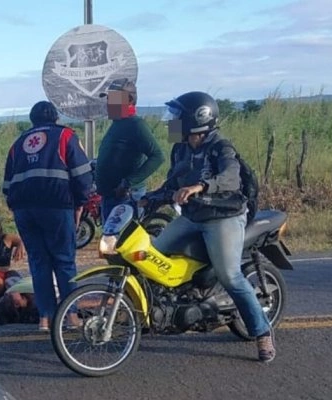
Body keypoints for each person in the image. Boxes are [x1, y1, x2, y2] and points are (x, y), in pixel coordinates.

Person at [154, 90, 275, 363]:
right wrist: (144, 199)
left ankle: (262, 332)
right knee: (153, 254)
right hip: (192, 216)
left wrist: (200, 186)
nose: (170, 122)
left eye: (176, 117)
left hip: (224, 217)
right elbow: (172, 183)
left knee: (230, 275)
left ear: (196, 120)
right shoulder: (181, 149)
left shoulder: (221, 147)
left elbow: (229, 178)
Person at [2, 100, 94, 331]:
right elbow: (83, 176)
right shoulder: (65, 136)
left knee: (39, 263)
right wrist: (80, 204)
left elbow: (6, 185)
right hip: (57, 207)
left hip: (24, 210)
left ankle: (45, 318)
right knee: (64, 262)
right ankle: (71, 316)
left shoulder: (19, 143)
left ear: (32, 120)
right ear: (56, 118)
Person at [95, 78, 165, 222]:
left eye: (113, 99)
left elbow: (157, 156)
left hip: (126, 197)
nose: (108, 103)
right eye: (108, 99)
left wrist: (128, 182)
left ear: (129, 100)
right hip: (110, 196)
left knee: (124, 242)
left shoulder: (136, 124)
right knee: (111, 242)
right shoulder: (117, 123)